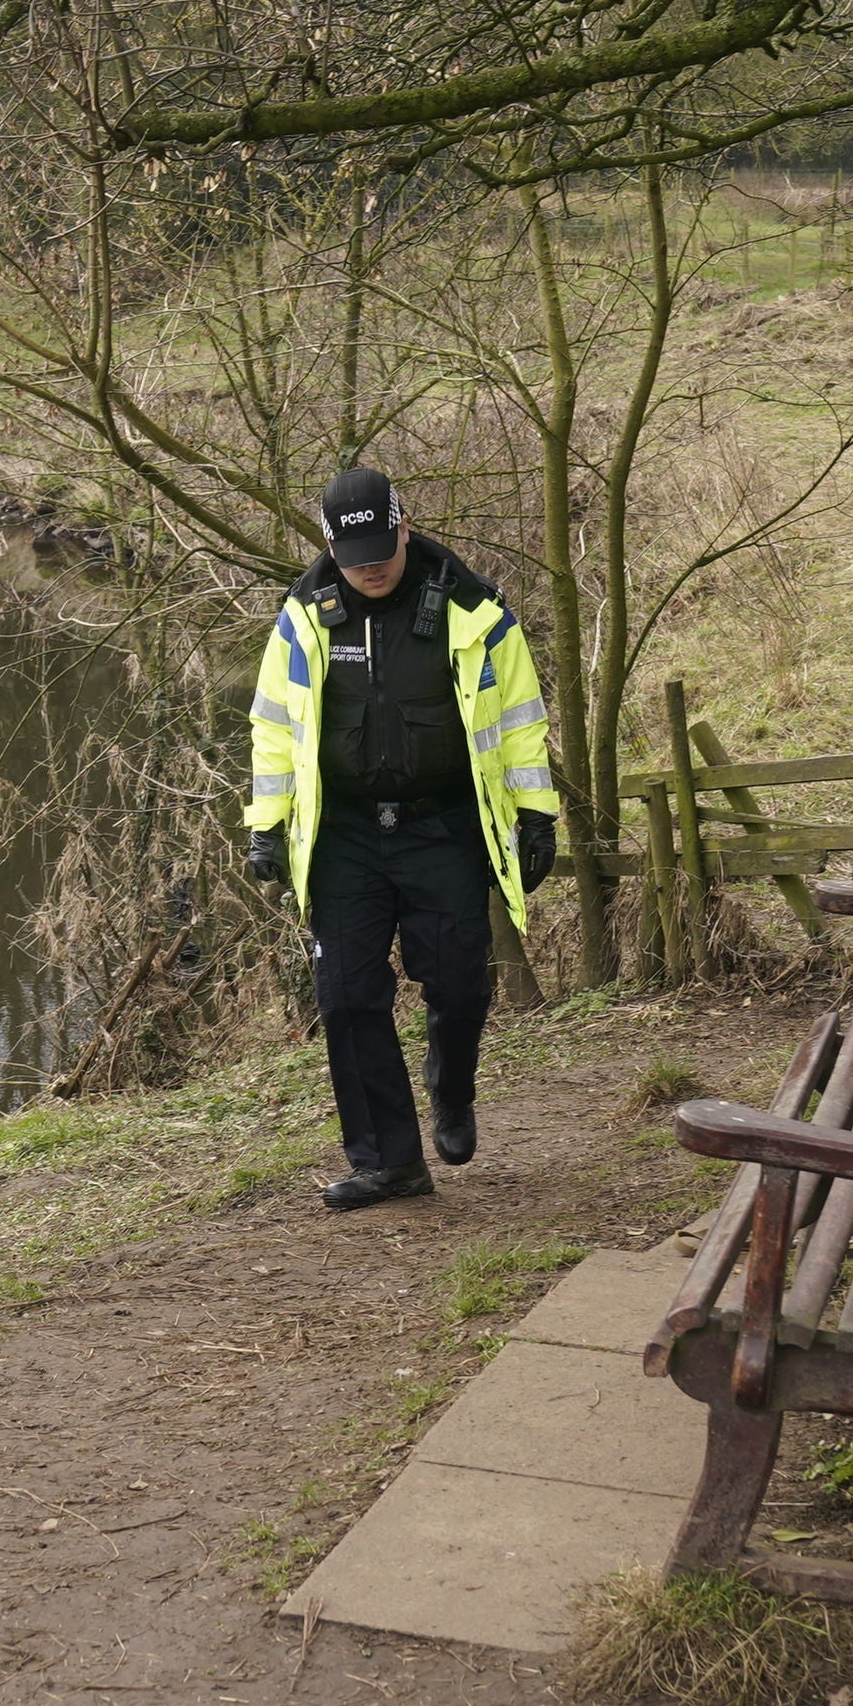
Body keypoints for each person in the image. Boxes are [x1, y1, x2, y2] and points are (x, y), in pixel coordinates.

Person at [243, 469, 560, 1210]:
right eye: (354, 554)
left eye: (381, 547)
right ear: (329, 545)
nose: (371, 564)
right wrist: (266, 827)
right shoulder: (302, 619)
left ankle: (450, 1085)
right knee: (348, 998)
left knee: (458, 982)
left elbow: (521, 722)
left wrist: (535, 816)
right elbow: (273, 729)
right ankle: (390, 1162)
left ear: (405, 526)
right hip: (343, 834)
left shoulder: (474, 611)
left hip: (443, 825)